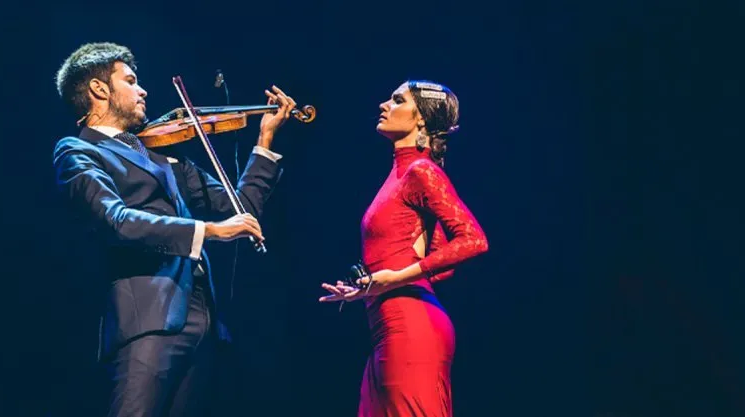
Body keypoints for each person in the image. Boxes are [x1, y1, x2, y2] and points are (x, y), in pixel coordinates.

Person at [52, 42, 296, 417]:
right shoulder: (78, 152)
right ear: (99, 90)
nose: (143, 90)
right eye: (131, 81)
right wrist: (209, 231)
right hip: (147, 318)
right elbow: (117, 221)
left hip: (203, 318)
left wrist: (264, 141)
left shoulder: (163, 156)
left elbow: (240, 209)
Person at [319, 80, 489, 417]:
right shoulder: (400, 175)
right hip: (387, 326)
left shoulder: (421, 170)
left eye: (397, 100)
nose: (384, 105)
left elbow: (473, 240)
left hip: (412, 329)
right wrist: (367, 287)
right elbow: (441, 260)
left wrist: (397, 277)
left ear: (421, 119)